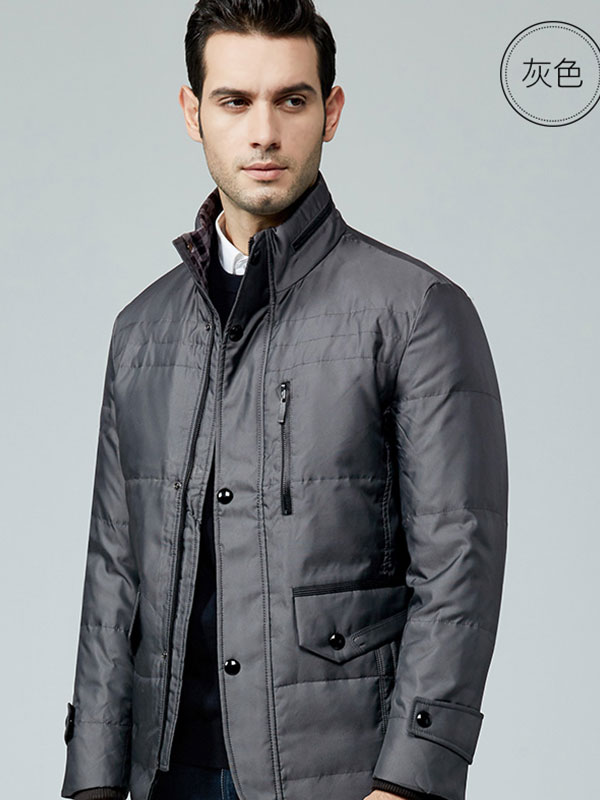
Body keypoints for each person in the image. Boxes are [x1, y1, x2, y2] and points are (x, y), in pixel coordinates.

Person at [61, 2, 508, 800]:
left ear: (330, 112)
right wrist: (92, 779)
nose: (263, 132)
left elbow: (458, 566)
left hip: (336, 774)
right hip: (163, 774)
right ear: (192, 112)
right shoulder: (142, 331)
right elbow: (113, 574)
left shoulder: (415, 311)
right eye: (235, 101)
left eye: (291, 100)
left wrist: (408, 783)